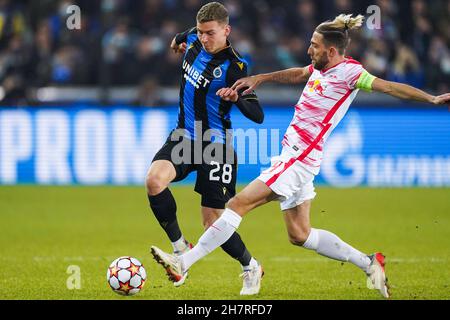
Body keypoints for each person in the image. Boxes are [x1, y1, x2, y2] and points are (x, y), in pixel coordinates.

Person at [150, 14, 450, 298]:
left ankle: (183, 263)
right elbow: (298, 73)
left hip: (299, 157)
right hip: (298, 156)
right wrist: (262, 78)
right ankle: (369, 261)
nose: (309, 50)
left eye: (314, 47)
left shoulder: (352, 74)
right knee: (300, 234)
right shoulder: (319, 67)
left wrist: (431, 98)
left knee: (236, 204)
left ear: (331, 51)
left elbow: (391, 88)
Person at [146, 2, 265, 295]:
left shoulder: (235, 66)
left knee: (212, 220)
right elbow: (187, 33)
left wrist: (236, 98)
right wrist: (178, 38)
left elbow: (257, 114)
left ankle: (251, 266)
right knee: (154, 181)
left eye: (210, 33)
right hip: (185, 136)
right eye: (200, 32)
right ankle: (179, 249)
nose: (204, 38)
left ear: (227, 31)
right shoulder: (195, 40)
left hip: (217, 146)